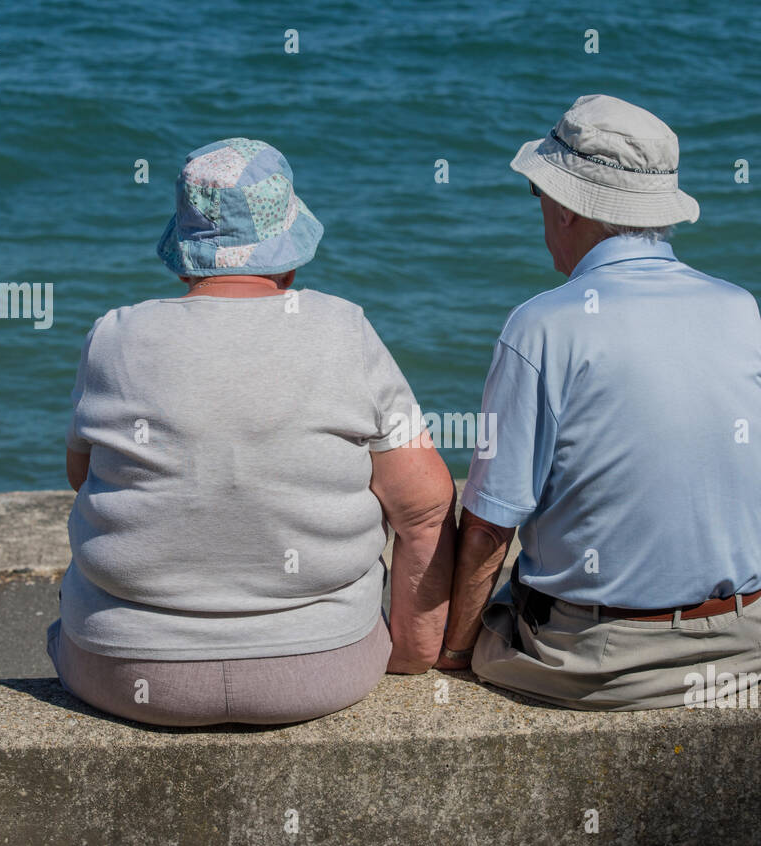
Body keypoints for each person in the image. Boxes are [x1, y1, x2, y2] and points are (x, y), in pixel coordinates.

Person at [47, 138, 455, 726]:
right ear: (289, 251)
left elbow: (82, 476)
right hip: (321, 667)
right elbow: (425, 507)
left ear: (187, 255)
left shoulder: (114, 336)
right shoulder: (345, 331)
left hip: (125, 670)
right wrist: (412, 657)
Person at [437, 95, 761, 710]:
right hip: (750, 639)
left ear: (566, 207)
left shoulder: (541, 326)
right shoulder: (738, 307)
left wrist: (454, 655)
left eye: (540, 195)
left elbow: (488, 528)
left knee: (492, 624)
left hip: (606, 654)